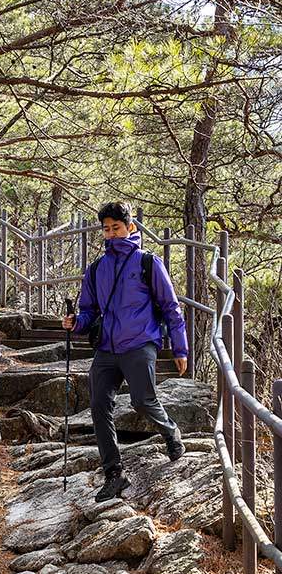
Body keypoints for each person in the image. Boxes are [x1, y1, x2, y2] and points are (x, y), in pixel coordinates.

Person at [62, 201, 188, 502]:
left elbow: (171, 307)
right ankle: (114, 474)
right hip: (107, 347)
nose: (110, 234)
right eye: (106, 229)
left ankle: (171, 433)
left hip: (140, 342)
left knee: (142, 401)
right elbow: (88, 311)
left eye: (116, 228)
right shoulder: (95, 270)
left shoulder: (148, 262)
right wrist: (75, 323)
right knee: (98, 405)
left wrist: (180, 348)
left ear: (130, 227)